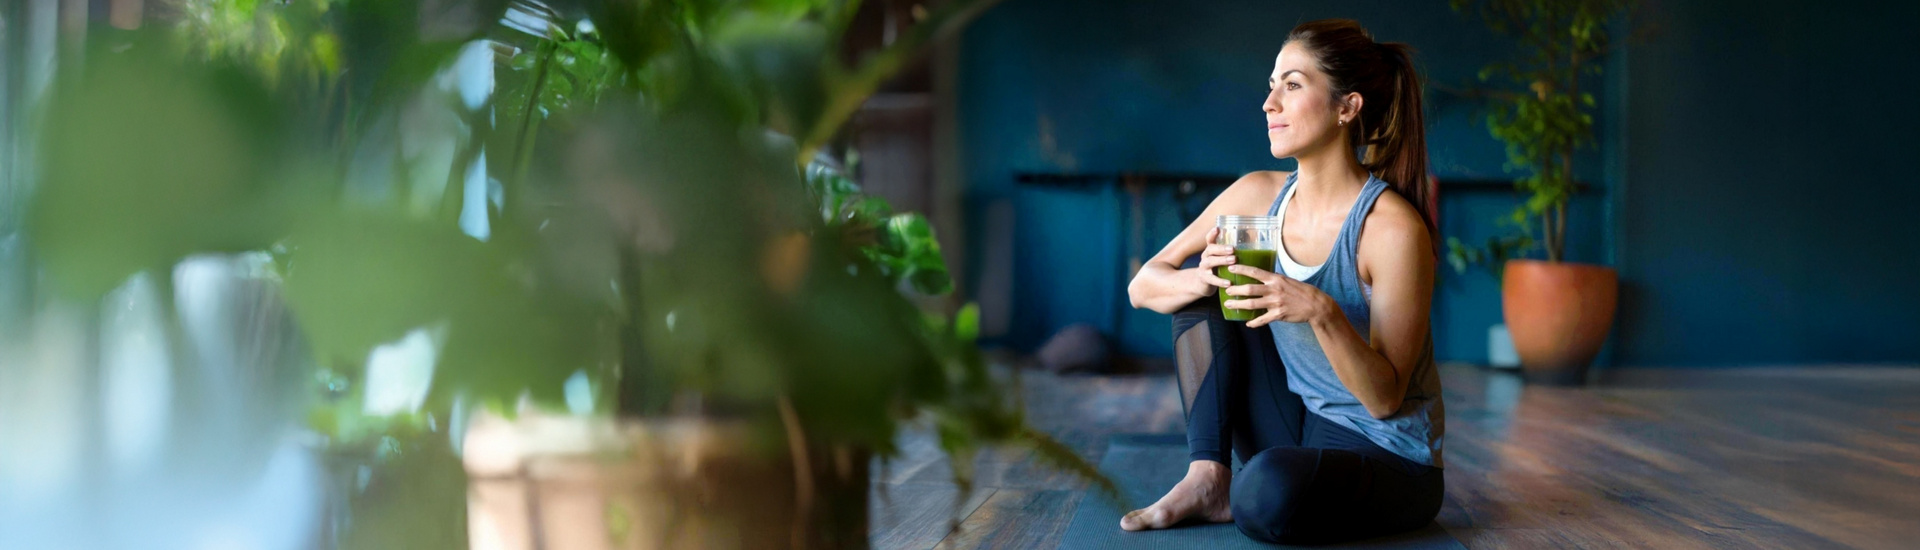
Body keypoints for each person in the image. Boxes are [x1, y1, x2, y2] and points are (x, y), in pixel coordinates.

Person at [1119, 18, 1446, 545]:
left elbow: (1385, 400)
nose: (1270, 103)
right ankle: (1207, 477)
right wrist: (1201, 279)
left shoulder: (1390, 229)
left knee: (1266, 495)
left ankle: (1250, 489)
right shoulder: (1256, 195)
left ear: (1348, 106)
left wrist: (1321, 311)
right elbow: (1144, 285)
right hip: (1300, 421)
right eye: (1272, 85)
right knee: (1201, 296)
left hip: (1387, 455)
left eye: (1292, 85)